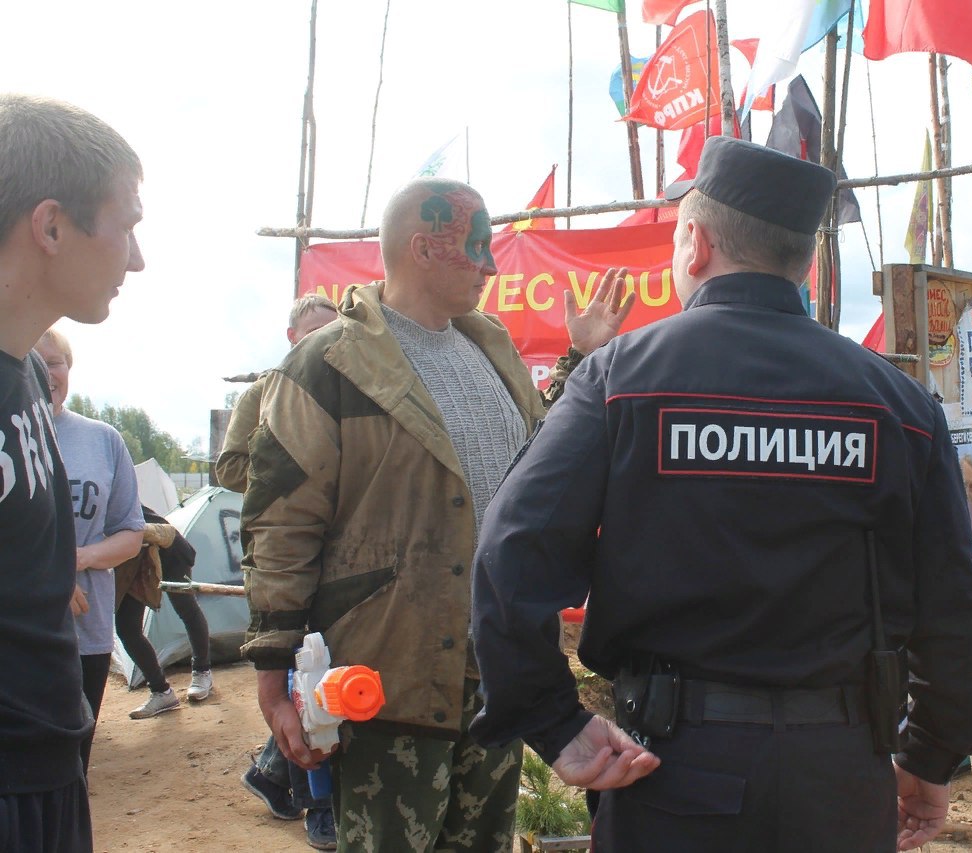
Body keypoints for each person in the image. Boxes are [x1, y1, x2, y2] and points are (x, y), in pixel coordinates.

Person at [469, 137, 972, 853]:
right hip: (840, 781)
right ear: (803, 262)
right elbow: (961, 609)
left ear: (695, 243)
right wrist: (930, 753)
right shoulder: (899, 405)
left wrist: (553, 721)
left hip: (670, 774)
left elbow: (510, 555)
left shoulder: (621, 380)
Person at [240, 177, 632, 853]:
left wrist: (580, 360)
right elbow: (281, 526)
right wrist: (275, 681)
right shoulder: (327, 366)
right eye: (476, 247)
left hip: (498, 683)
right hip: (386, 685)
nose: (491, 265)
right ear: (423, 249)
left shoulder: (493, 352)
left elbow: (539, 460)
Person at [0, 93, 144, 853]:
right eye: (127, 226)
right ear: (52, 226)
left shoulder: (25, 374)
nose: (137, 258)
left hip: (50, 766)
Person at [218, 293, 339, 850]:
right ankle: (318, 804)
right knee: (298, 675)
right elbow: (230, 468)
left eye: (333, 330)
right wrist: (292, 470)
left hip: (337, 551)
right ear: (293, 337)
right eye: (314, 331)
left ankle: (270, 771)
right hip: (282, 553)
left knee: (325, 673)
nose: (325, 341)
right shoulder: (265, 390)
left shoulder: (349, 389)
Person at [33, 329, 145, 775]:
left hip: (87, 633)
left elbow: (130, 535)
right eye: (32, 362)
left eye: (54, 362)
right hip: (19, 633)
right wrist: (51, 577)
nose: (46, 373)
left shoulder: (102, 440)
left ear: (69, 368)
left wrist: (74, 562)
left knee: (74, 765)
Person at [112, 499, 214, 718]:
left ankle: (202, 671)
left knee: (185, 608)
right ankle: (161, 692)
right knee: (127, 628)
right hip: (134, 560)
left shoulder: (113, 492)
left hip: (168, 549)